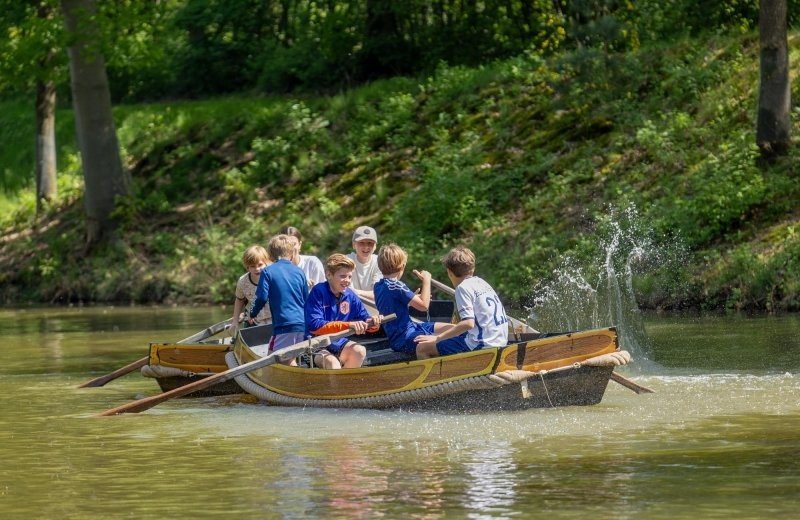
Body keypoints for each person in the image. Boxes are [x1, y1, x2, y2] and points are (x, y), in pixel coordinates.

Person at [415, 246, 509, 357]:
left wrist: (437, 338)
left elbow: (468, 323)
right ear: (473, 269)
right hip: (501, 341)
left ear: (449, 272)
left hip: (483, 345)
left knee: (422, 348)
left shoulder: (462, 288)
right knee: (452, 334)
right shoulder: (481, 282)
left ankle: (443, 374)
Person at [373, 244, 463, 359]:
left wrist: (411, 299)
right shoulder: (397, 286)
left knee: (452, 328)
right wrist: (426, 280)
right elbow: (424, 306)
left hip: (410, 329)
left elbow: (391, 304)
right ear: (403, 266)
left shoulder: (378, 286)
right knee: (451, 336)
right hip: (405, 337)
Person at [305, 253, 383, 369]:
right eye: (342, 276)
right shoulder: (318, 291)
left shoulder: (350, 295)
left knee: (359, 351)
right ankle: (338, 385)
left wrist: (374, 323)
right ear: (328, 275)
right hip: (316, 344)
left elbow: (365, 320)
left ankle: (346, 385)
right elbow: (315, 326)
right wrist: (349, 325)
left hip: (338, 342)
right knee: (333, 363)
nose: (347, 281)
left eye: (350, 277)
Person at [249, 234, 310, 365]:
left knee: (271, 361)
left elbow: (261, 297)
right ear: (292, 254)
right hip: (302, 325)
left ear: (270, 256)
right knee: (288, 359)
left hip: (284, 326)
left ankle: (297, 383)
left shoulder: (268, 272)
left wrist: (252, 314)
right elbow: (306, 299)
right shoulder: (299, 272)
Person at [230, 245, 272, 338]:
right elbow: (239, 300)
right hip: (254, 321)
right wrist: (235, 321)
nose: (257, 269)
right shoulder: (243, 281)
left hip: (274, 320)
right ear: (247, 267)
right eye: (252, 266)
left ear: (266, 263)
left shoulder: (274, 276)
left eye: (260, 265)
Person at [346, 225, 382, 300]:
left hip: (372, 308)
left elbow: (377, 294)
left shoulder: (380, 262)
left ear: (375, 246)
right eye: (361, 242)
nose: (366, 247)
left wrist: (355, 291)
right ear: (353, 245)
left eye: (370, 243)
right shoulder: (346, 260)